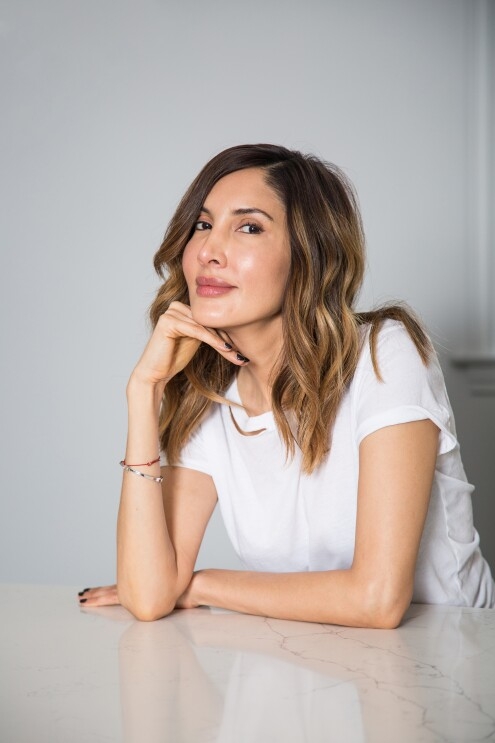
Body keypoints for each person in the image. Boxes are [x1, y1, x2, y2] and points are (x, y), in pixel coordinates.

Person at [78, 144, 495, 626]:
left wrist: (200, 583)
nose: (210, 252)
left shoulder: (385, 354)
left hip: (449, 655)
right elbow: (149, 597)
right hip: (304, 662)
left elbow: (377, 601)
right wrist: (144, 392)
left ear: (308, 255)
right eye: (203, 224)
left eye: (249, 227)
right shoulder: (211, 397)